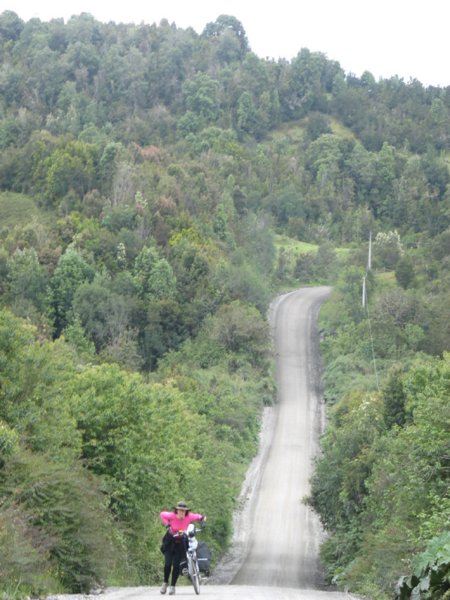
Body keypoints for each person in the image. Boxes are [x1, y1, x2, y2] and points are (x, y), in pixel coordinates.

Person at [159, 501, 205, 595]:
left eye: (184, 511)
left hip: (180, 542)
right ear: (176, 511)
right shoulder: (172, 516)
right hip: (169, 541)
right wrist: (167, 524)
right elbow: (162, 514)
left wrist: (203, 521)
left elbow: (200, 517)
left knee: (176, 565)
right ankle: (165, 583)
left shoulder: (189, 517)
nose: (182, 513)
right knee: (168, 564)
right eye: (180, 511)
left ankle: (172, 587)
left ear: (186, 512)